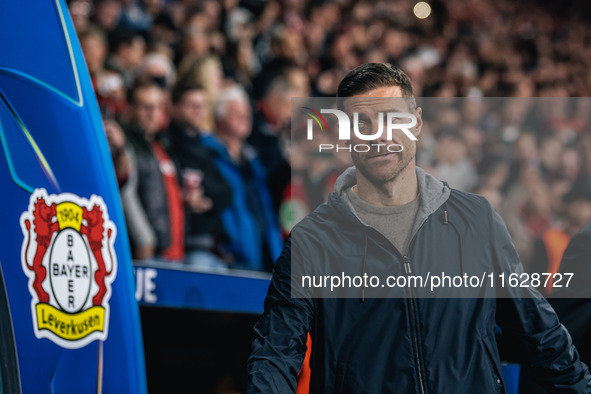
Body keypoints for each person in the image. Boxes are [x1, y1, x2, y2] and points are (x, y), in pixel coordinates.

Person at [246, 63, 591, 393]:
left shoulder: (477, 219)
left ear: (416, 121)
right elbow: (275, 352)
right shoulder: (312, 241)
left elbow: (539, 333)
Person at [201, 85, 283, 271]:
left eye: (246, 113)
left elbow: (266, 209)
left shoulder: (253, 162)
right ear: (219, 117)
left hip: (263, 255)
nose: (245, 119)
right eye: (237, 113)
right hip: (229, 257)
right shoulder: (206, 154)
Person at [163, 81, 233, 269]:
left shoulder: (206, 147)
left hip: (214, 247)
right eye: (192, 105)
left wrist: (206, 198)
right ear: (174, 107)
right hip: (184, 249)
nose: (198, 111)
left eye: (202, 106)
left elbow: (226, 191)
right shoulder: (165, 145)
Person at [120, 81, 184, 262]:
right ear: (130, 108)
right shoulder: (126, 146)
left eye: (158, 107)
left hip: (174, 252)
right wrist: (144, 240)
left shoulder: (163, 146)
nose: (153, 114)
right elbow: (127, 195)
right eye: (146, 107)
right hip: (147, 253)